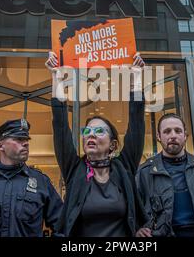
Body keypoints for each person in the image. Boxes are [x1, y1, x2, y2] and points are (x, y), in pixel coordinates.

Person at [45, 51, 150, 237]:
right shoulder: (74, 169)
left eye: (99, 131)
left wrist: (137, 78)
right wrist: (57, 78)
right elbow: (60, 125)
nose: (90, 135)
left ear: (112, 145)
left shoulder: (123, 168)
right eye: (87, 131)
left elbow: (136, 125)